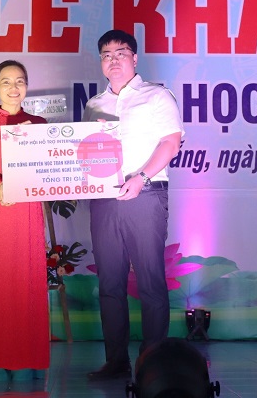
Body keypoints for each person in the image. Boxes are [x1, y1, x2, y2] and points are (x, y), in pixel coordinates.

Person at [83, 30, 184, 380]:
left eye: (121, 53)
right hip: (104, 199)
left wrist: (140, 177)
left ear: (135, 58)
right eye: (106, 55)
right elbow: (86, 153)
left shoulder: (157, 95)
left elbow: (171, 143)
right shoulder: (94, 104)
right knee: (109, 283)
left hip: (146, 194)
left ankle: (152, 363)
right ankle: (116, 361)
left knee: (150, 280)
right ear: (101, 61)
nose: (113, 60)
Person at [0, 60, 49, 381]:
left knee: (27, 278)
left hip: (27, 208)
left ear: (26, 86)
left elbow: (47, 164)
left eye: (20, 81)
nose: (13, 87)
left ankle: (28, 356)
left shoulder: (39, 122)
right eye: (6, 81)